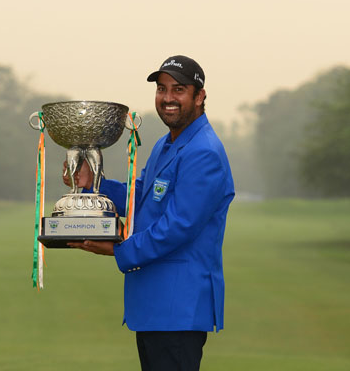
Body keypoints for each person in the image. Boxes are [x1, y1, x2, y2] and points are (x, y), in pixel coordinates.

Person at [66, 55, 235, 371]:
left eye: (179, 89)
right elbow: (140, 198)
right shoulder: (165, 145)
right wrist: (92, 185)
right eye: (161, 89)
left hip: (178, 309)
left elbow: (178, 226)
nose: (168, 98)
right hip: (157, 307)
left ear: (199, 97)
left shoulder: (204, 152)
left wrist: (118, 250)